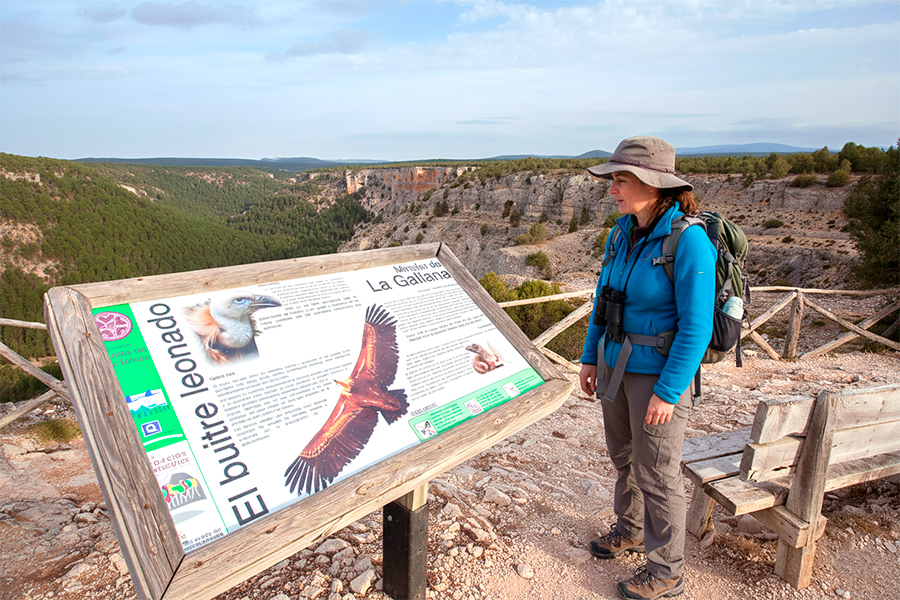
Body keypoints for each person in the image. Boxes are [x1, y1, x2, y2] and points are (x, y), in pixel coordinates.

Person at [579, 136, 716, 600]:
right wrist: (589, 355)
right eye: (613, 178)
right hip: (615, 364)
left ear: (655, 186)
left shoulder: (688, 241)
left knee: (657, 471)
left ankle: (666, 570)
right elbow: (604, 300)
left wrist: (670, 390)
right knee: (624, 459)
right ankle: (632, 530)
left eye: (622, 179)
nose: (612, 188)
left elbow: (696, 328)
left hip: (657, 374)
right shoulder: (622, 233)